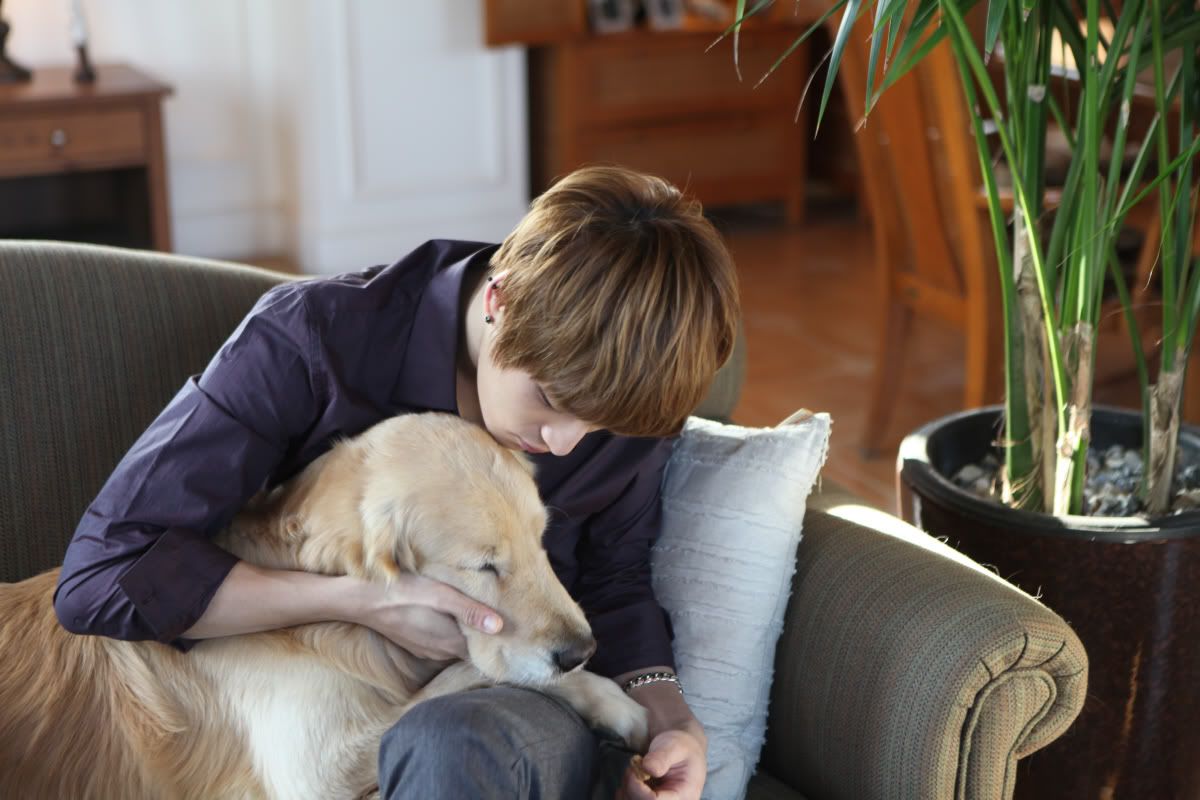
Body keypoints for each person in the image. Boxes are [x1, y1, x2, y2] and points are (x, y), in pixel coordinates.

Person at [53, 165, 741, 799]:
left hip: (507, 707)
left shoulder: (626, 393)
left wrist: (672, 722)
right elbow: (102, 576)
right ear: (498, 299)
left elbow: (617, 579)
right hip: (304, 687)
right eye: (552, 401)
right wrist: (364, 601)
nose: (563, 444)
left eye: (601, 425)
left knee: (447, 744)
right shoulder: (314, 339)